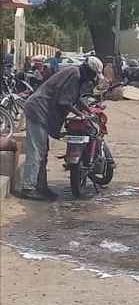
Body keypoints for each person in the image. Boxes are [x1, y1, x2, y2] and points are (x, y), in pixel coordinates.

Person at [18, 56, 104, 201]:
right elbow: (64, 101)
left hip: (42, 112)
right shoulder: (75, 75)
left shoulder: (75, 74)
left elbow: (75, 99)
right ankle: (28, 188)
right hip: (39, 110)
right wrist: (81, 115)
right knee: (37, 151)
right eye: (94, 74)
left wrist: (88, 111)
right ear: (89, 71)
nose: (93, 78)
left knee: (42, 152)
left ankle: (40, 186)